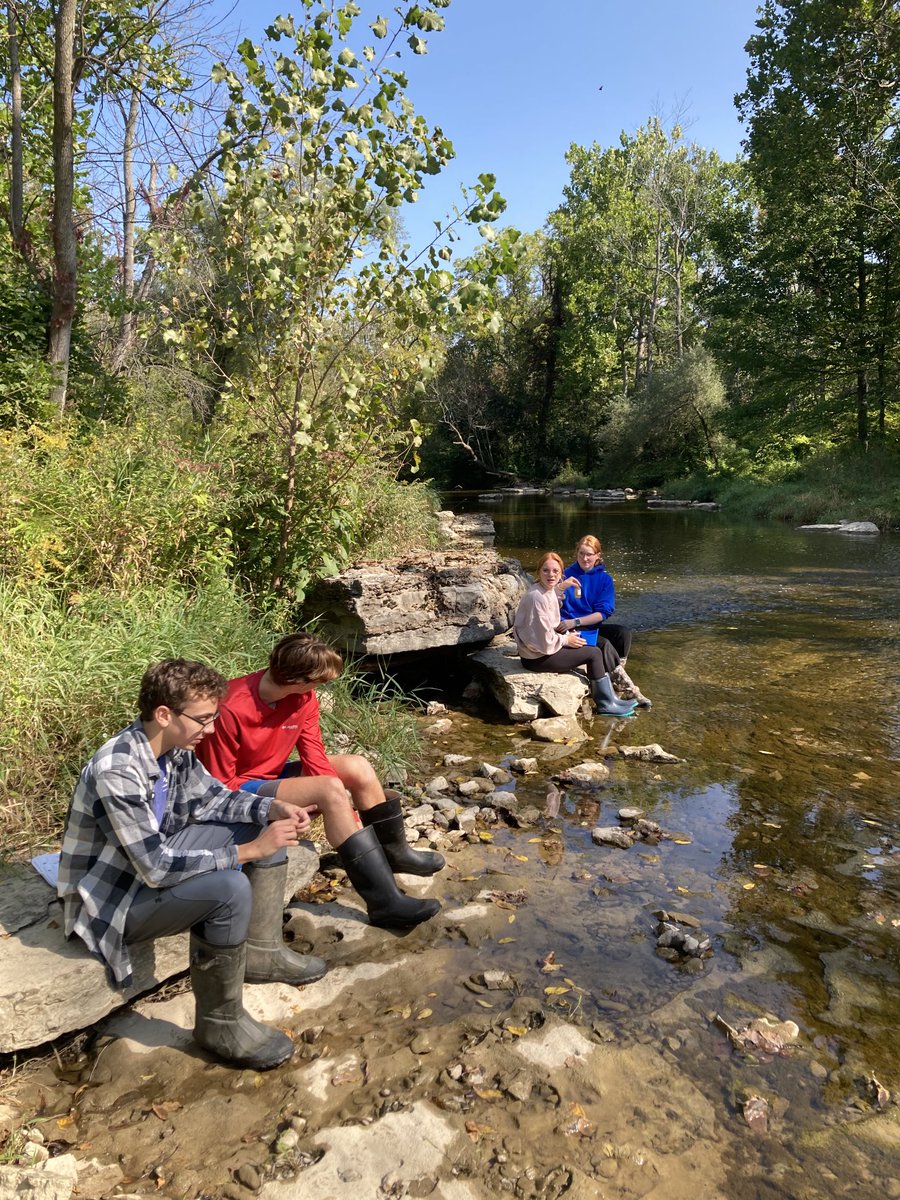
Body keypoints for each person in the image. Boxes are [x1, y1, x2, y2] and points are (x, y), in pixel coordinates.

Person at [58, 659, 323, 1072]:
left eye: (213, 717)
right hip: (113, 901)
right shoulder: (118, 770)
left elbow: (215, 799)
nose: (211, 729)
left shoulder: (174, 751)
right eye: (203, 719)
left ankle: (261, 954)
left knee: (267, 827)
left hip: (147, 870)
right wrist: (247, 852)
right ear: (164, 714)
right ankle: (220, 1024)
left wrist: (271, 808)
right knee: (230, 889)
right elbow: (156, 868)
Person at [196, 632, 442, 933]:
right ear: (298, 680)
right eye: (319, 682)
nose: (320, 688)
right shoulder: (229, 707)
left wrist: (344, 810)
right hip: (239, 787)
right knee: (329, 790)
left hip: (272, 775)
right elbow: (221, 785)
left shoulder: (303, 697)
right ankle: (385, 904)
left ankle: (394, 854)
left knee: (357, 767)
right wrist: (312, 799)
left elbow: (314, 755)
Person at [512, 551, 637, 717]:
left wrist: (562, 588)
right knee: (593, 653)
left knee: (595, 645)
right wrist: (566, 639)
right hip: (536, 658)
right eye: (546, 570)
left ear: (561, 574)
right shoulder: (537, 597)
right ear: (539, 572)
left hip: (538, 651)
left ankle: (612, 699)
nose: (551, 575)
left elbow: (552, 602)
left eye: (555, 571)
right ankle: (605, 704)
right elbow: (543, 640)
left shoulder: (545, 590)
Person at [560, 534, 651, 707]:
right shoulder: (565, 575)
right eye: (581, 554)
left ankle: (615, 678)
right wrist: (570, 624)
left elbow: (603, 613)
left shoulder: (604, 579)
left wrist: (577, 621)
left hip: (583, 625)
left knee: (623, 634)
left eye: (589, 554)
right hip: (569, 629)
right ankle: (630, 690)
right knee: (604, 644)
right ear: (576, 553)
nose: (585, 558)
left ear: (597, 556)